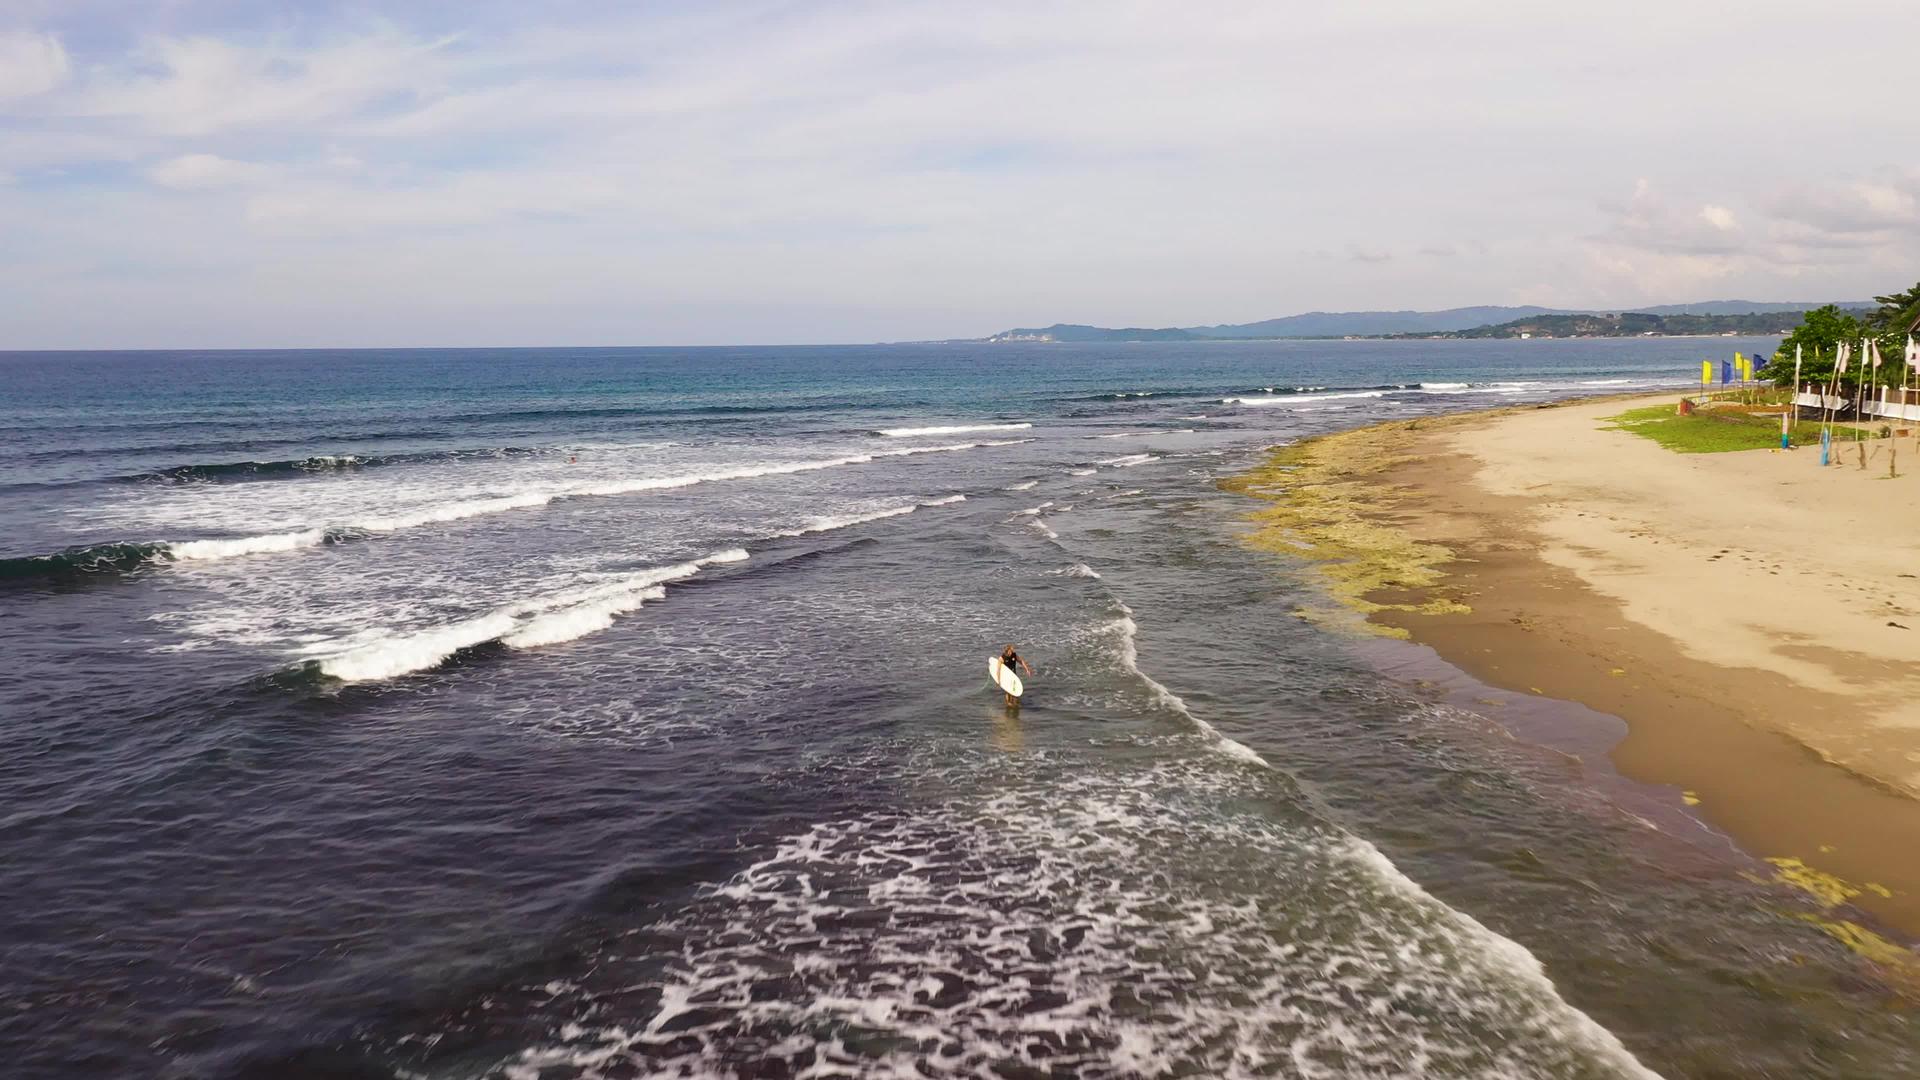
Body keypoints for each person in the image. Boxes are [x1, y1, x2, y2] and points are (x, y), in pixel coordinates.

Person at [998, 643, 1034, 708]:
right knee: (1008, 691)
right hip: (1006, 676)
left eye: (1012, 650)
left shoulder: (1014, 655)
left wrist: (1027, 670)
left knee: (1014, 689)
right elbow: (998, 670)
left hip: (1013, 675)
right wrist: (998, 680)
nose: (1013, 651)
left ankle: (1014, 703)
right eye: (1011, 650)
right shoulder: (1002, 658)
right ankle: (1008, 703)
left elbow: (1021, 661)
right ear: (1008, 650)